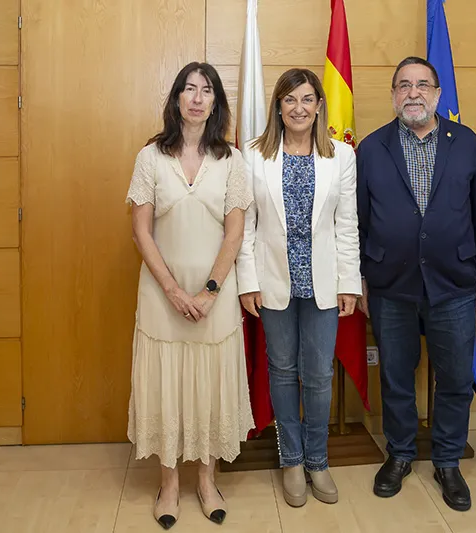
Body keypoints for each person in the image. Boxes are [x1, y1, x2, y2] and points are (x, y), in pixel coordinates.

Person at [356, 57, 476, 512]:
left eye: (422, 85)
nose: (413, 93)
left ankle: (448, 461)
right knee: (396, 376)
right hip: (390, 284)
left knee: (454, 379)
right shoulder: (372, 148)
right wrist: (360, 276)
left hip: (453, 281)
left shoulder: (466, 142)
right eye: (403, 86)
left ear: (437, 94)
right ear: (393, 95)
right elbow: (357, 220)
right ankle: (399, 454)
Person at [126, 62, 255, 529]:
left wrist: (208, 291)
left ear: (216, 102)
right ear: (176, 98)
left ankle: (206, 481)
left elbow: (235, 233)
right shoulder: (150, 157)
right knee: (167, 387)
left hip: (215, 299)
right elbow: (141, 231)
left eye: (206, 91)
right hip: (162, 296)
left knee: (208, 387)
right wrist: (175, 291)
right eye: (188, 89)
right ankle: (169, 486)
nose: (197, 98)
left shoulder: (232, 160)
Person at [236, 68, 360, 508]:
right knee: (283, 371)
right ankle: (291, 459)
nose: (299, 108)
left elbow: (346, 225)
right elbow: (246, 226)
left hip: (323, 282)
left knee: (320, 374)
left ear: (319, 105)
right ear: (278, 106)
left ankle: (318, 460)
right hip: (273, 282)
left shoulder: (342, 157)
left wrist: (350, 282)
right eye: (290, 100)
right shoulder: (253, 156)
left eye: (307, 99)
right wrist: (247, 282)